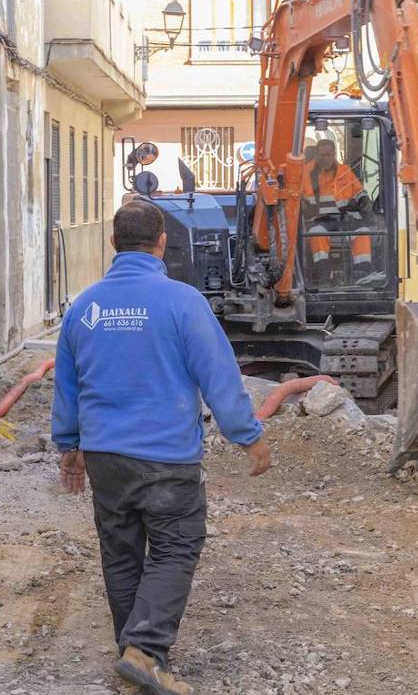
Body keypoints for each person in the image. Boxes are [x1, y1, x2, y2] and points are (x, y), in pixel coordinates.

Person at [51, 200, 272, 695]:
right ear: (162, 243)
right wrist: (248, 435)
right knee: (175, 547)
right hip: (167, 456)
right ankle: (145, 650)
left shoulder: (85, 308)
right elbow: (218, 374)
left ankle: (131, 654)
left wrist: (69, 445)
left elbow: (66, 384)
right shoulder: (183, 302)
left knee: (121, 552)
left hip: (106, 456)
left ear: (113, 244)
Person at [302, 139, 374, 280]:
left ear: (334, 154)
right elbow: (296, 195)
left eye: (329, 154)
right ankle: (325, 275)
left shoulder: (345, 170)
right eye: (322, 155)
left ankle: (362, 275)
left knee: (362, 233)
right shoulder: (305, 173)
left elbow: (358, 191)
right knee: (316, 234)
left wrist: (364, 200)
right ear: (316, 154)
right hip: (319, 220)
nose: (326, 158)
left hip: (345, 219)